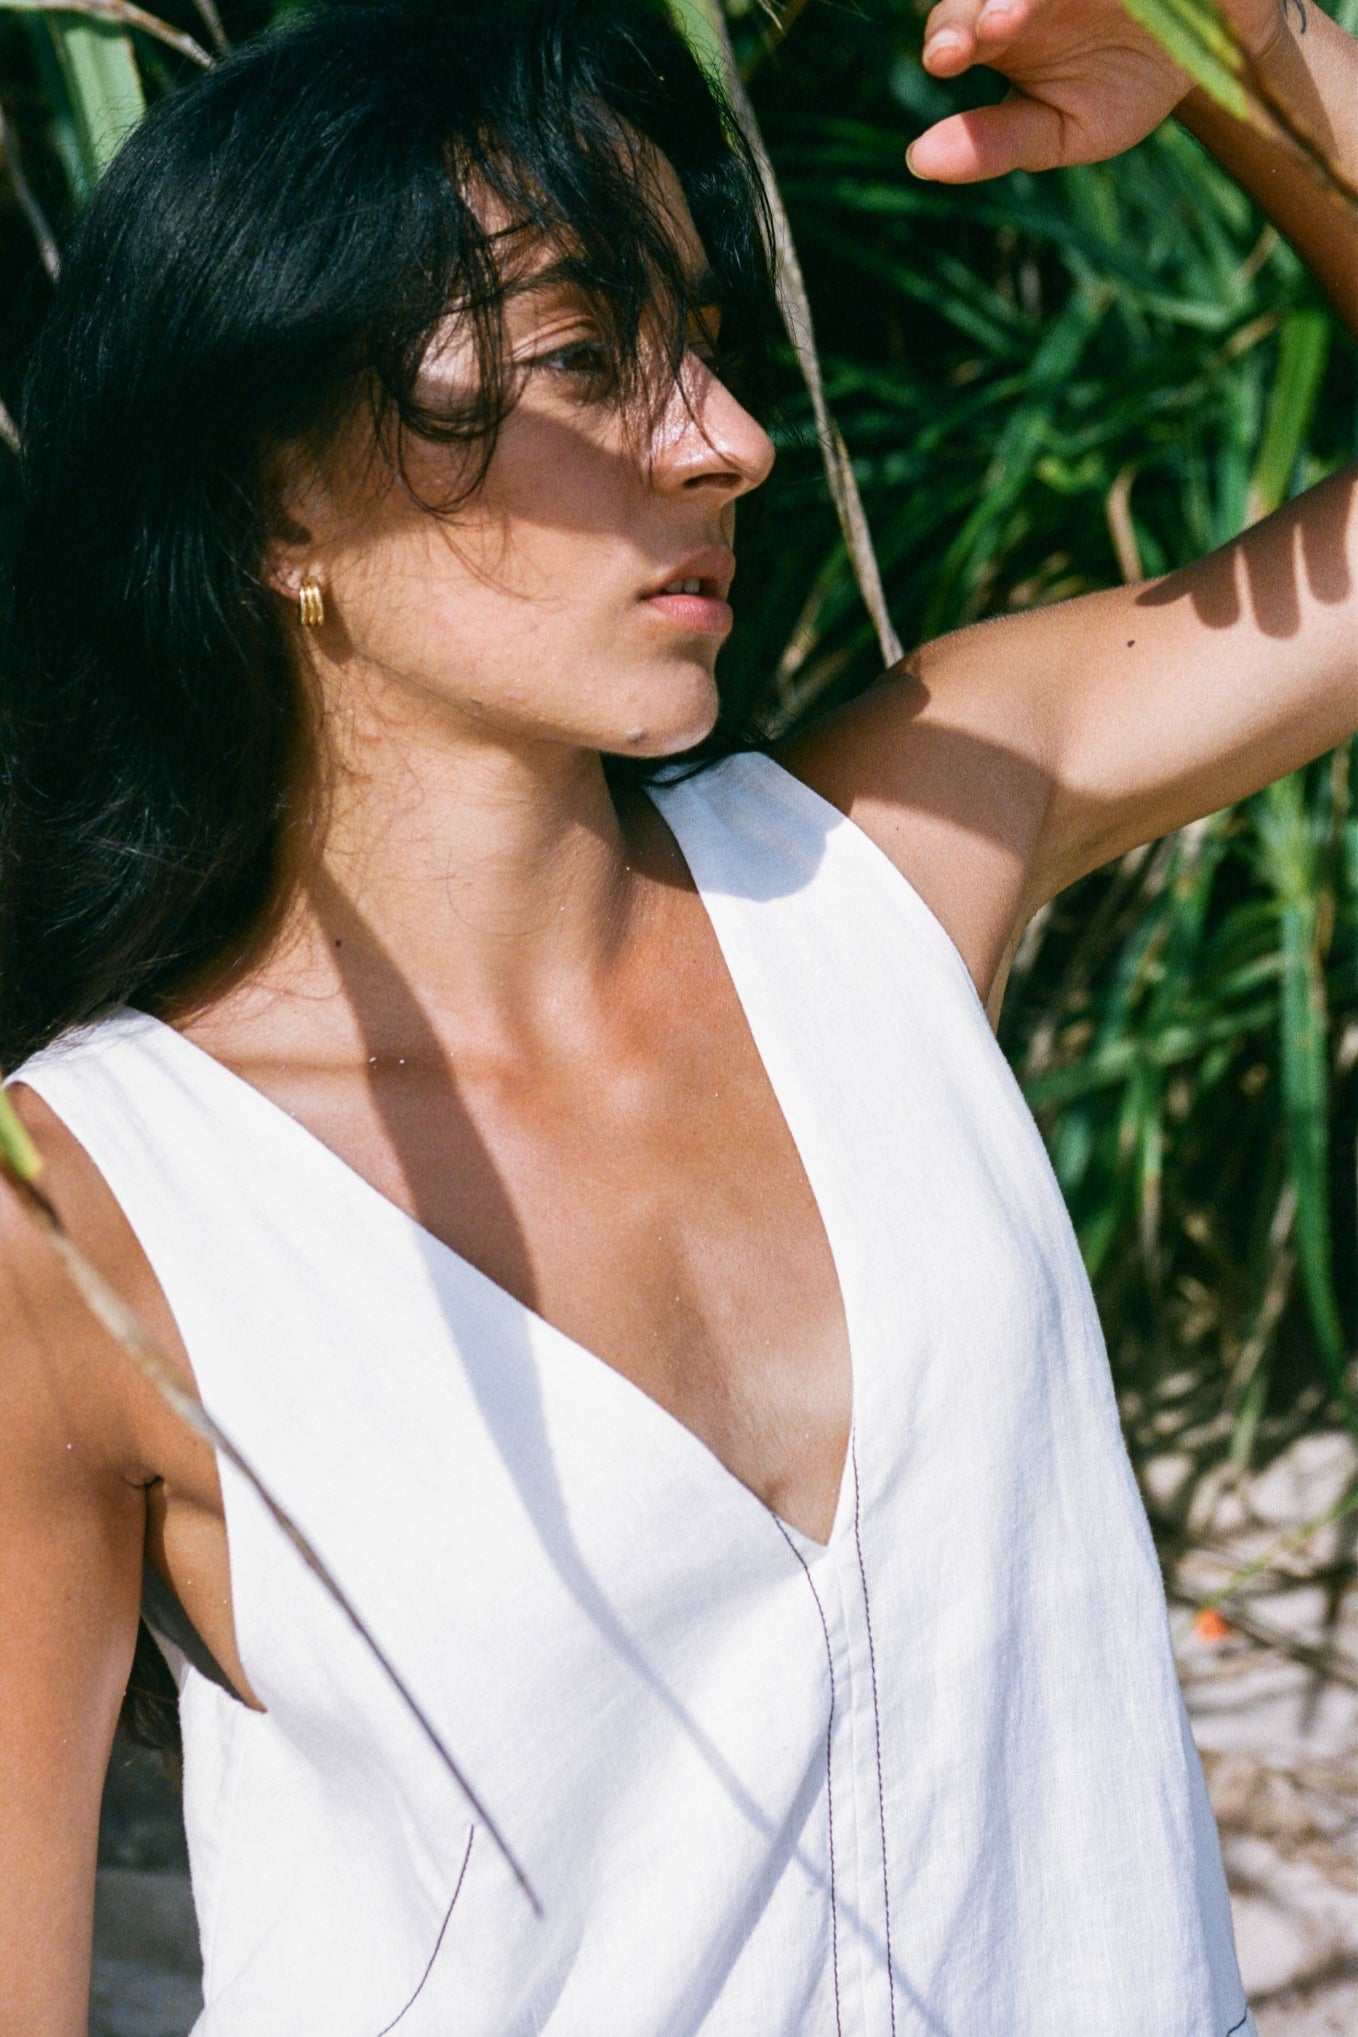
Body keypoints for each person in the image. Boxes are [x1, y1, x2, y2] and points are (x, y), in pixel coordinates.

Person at [0, 0, 1354, 2028]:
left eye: (697, 343)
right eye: (581, 356)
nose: (720, 432)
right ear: (279, 496)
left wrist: (1256, 61)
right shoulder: (91, 1223)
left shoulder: (877, 876)